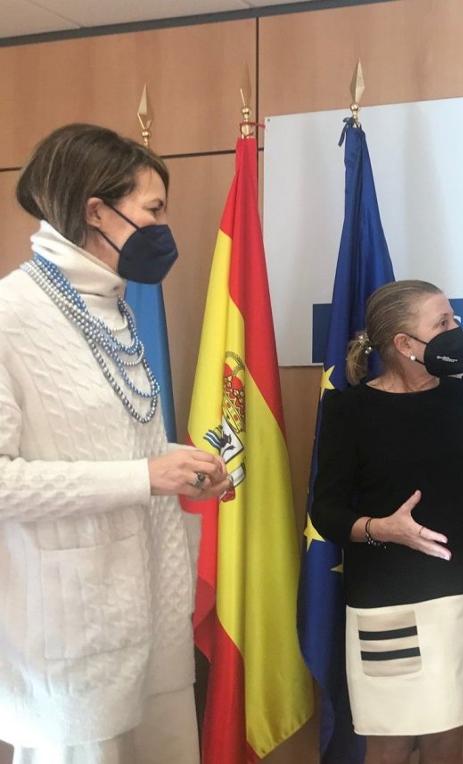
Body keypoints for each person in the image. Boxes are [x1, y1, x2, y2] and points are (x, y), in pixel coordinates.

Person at [0, 124, 231, 763]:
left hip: (152, 618)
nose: (163, 228)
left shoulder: (114, 307)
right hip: (69, 634)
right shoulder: (10, 315)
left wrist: (182, 469)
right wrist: (144, 477)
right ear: (96, 211)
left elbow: (122, 444)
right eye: (153, 210)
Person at [309, 280, 463, 764]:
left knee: (449, 735)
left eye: (454, 318)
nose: (456, 330)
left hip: (462, 587)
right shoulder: (349, 410)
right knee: (391, 741)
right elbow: (326, 512)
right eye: (442, 323)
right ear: (404, 344)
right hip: (389, 599)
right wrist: (382, 528)